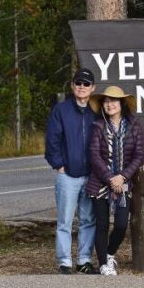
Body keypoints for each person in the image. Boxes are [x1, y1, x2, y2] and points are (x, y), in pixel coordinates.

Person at [44, 68, 99, 275]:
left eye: (86, 84)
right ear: (72, 85)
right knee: (65, 220)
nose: (81, 87)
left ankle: (84, 260)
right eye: (78, 83)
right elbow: (52, 140)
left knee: (88, 219)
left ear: (93, 87)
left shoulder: (97, 110)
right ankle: (64, 261)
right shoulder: (61, 110)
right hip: (67, 175)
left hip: (92, 175)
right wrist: (59, 165)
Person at [85, 86, 144, 276]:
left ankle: (110, 254)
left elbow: (139, 155)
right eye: (106, 101)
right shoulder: (98, 127)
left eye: (113, 101)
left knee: (121, 224)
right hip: (100, 184)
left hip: (124, 183)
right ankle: (103, 264)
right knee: (102, 225)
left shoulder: (134, 125)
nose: (109, 104)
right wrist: (111, 178)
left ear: (122, 104)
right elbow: (94, 156)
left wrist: (123, 176)